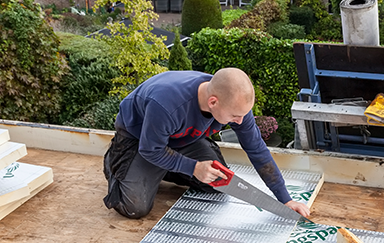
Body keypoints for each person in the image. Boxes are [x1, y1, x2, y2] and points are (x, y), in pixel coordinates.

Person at [103, 68, 311, 219]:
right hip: (140, 140)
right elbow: (150, 149)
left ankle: (163, 169)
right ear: (213, 102)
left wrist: (285, 200)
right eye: (234, 116)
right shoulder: (166, 105)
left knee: (218, 183)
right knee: (134, 207)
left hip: (182, 139)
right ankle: (116, 165)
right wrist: (192, 167)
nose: (240, 122)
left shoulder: (234, 103)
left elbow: (256, 149)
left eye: (243, 115)